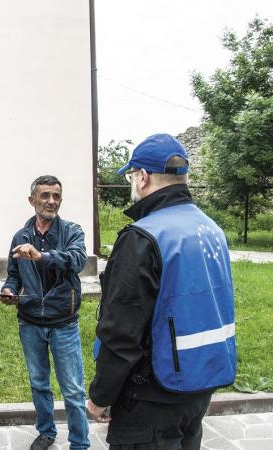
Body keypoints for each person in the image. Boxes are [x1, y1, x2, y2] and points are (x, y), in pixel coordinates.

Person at [87, 133, 237, 449]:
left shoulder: (143, 237)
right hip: (198, 388)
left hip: (149, 399)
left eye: (131, 176)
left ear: (142, 177)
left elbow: (121, 331)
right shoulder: (211, 230)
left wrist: (100, 396)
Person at [0, 175, 89, 450]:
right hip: (30, 323)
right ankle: (47, 432)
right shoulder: (21, 236)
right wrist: (8, 289)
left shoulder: (72, 231)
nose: (51, 201)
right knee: (39, 384)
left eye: (56, 196)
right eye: (45, 195)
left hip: (63, 323)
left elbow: (77, 260)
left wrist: (42, 256)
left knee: (73, 390)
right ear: (32, 201)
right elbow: (13, 275)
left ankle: (79, 443)